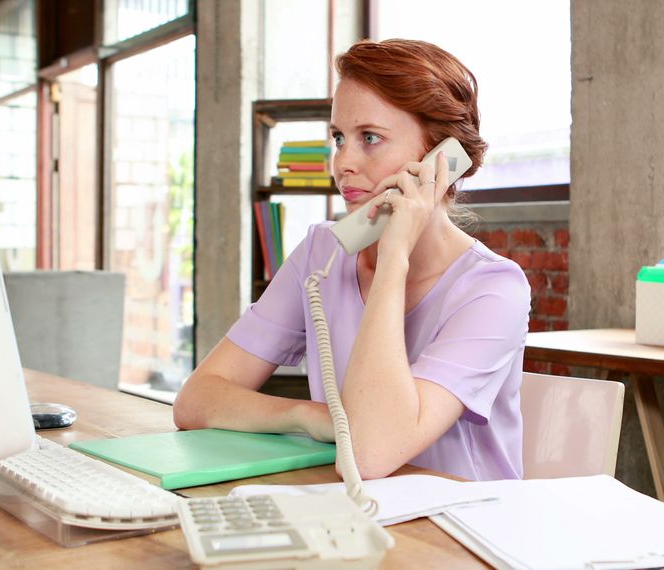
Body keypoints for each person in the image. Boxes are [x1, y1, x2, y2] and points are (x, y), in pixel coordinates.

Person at [173, 39, 530, 482]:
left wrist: (393, 257)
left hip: (462, 533)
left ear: (443, 158)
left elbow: (370, 455)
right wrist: (309, 416)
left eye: (370, 138)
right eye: (339, 138)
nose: (343, 162)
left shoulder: (494, 289)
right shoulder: (322, 254)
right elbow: (196, 400)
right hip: (360, 514)